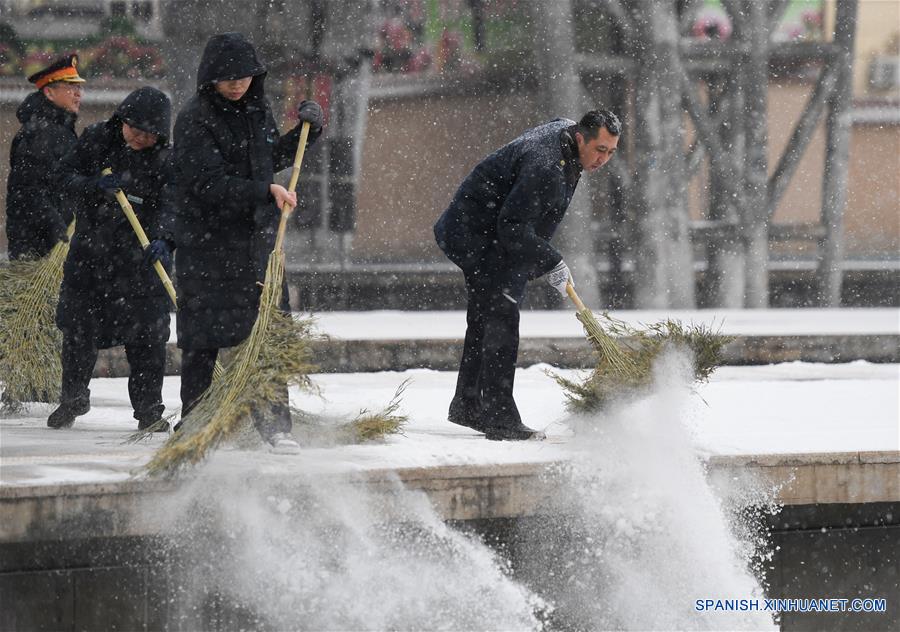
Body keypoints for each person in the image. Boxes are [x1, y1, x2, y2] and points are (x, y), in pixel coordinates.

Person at [172, 32, 324, 454]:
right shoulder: (194, 119)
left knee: (267, 337)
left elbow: (269, 157)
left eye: (243, 76)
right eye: (227, 78)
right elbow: (206, 182)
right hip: (209, 247)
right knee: (204, 340)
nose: (236, 84)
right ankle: (195, 424)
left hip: (258, 247)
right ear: (210, 78)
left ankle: (275, 426)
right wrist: (265, 192)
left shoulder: (256, 111)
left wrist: (306, 133)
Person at [434, 110, 621, 440]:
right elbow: (513, 228)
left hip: (495, 233)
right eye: (600, 150)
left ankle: (469, 404)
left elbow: (518, 222)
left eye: (610, 152)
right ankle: (499, 417)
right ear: (580, 138)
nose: (603, 159)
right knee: (501, 316)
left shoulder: (567, 139)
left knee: (486, 315)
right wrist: (552, 262)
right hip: (476, 234)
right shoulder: (546, 165)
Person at [48, 87, 176, 431]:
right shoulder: (96, 140)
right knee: (78, 332)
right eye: (135, 129)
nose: (139, 137)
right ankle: (73, 397)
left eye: (149, 134)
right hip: (92, 258)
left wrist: (164, 238)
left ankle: (149, 410)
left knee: (148, 339)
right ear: (122, 120)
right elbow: (62, 179)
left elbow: (173, 204)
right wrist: (93, 185)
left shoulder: (166, 159)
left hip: (141, 263)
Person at [5, 53, 84, 260]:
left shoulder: (61, 129)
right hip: (38, 249)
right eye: (71, 87)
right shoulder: (38, 133)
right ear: (49, 92)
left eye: (79, 88)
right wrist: (58, 229)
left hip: (57, 245)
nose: (78, 94)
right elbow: (28, 191)